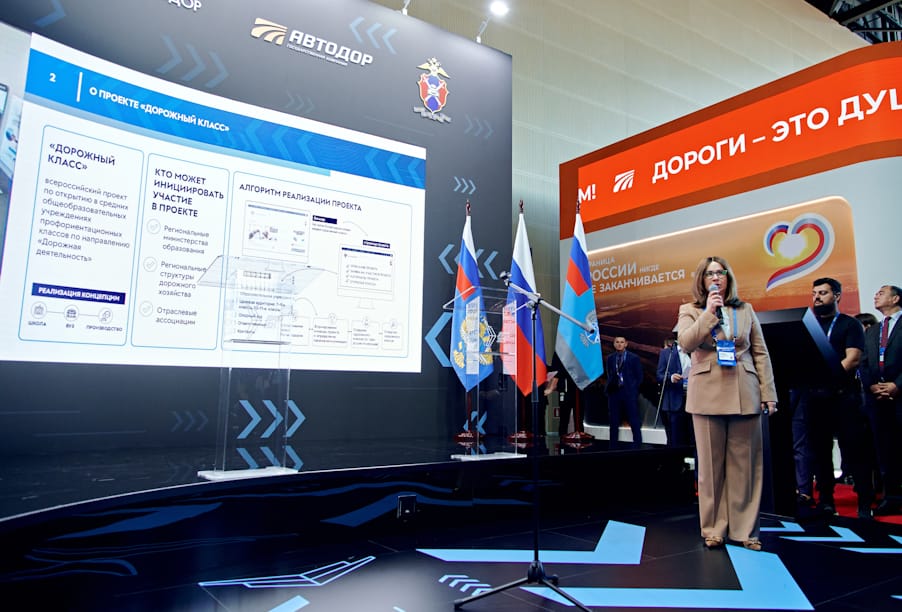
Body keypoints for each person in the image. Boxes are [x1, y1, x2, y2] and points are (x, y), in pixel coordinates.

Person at [676, 256, 777, 551]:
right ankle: (713, 528)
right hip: (706, 393)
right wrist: (709, 312)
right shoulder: (689, 310)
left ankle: (746, 531)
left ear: (728, 278)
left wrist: (768, 393)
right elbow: (686, 342)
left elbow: (760, 353)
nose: (716, 278)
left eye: (720, 273)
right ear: (702, 280)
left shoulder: (745, 310)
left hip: (744, 391)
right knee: (710, 467)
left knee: (745, 467)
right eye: (710, 274)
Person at [789, 278, 874, 520]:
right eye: (814, 293)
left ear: (836, 296)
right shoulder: (808, 326)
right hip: (815, 399)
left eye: (823, 293)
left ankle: (864, 503)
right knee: (820, 453)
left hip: (844, 398)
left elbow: (853, 358)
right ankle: (826, 501)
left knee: (854, 451)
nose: (817, 297)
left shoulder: (849, 324)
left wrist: (828, 376)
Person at [859, 285, 902, 516]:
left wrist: (897, 385)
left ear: (895, 298)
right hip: (877, 399)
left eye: (882, 292)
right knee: (885, 449)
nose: (876, 295)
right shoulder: (873, 330)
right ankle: (891, 496)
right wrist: (872, 385)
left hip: (899, 394)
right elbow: (864, 362)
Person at [605, 336, 643, 449]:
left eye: (622, 342)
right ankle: (613, 447)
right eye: (617, 342)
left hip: (629, 393)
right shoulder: (610, 358)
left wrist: (633, 389)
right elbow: (609, 374)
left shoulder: (634, 358)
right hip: (615, 393)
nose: (619, 344)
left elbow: (639, 376)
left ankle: (637, 445)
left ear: (626, 344)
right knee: (613, 421)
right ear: (614, 344)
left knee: (634, 420)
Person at [656, 335, 691, 447]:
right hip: (675, 400)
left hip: (693, 399)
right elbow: (659, 375)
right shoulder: (667, 353)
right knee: (675, 438)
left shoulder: (696, 352)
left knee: (693, 437)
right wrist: (671, 378)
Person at [546, 352, 577, 438]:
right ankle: (562, 440)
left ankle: (579, 439)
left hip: (579, 388)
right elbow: (555, 370)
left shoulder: (580, 349)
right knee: (564, 418)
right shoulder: (559, 350)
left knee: (579, 418)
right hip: (565, 388)